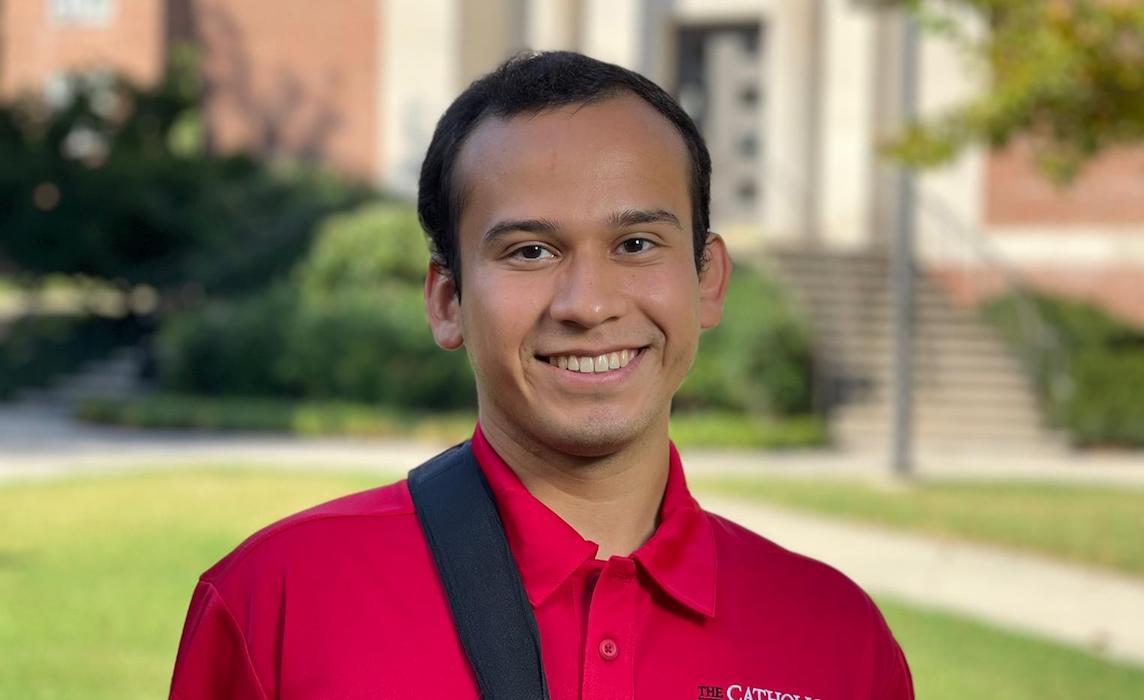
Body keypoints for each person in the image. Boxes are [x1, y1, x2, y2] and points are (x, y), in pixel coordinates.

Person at [168, 51, 913, 700]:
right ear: (448, 300)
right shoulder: (278, 603)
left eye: (637, 243)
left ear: (707, 279)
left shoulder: (839, 639)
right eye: (530, 251)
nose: (588, 304)